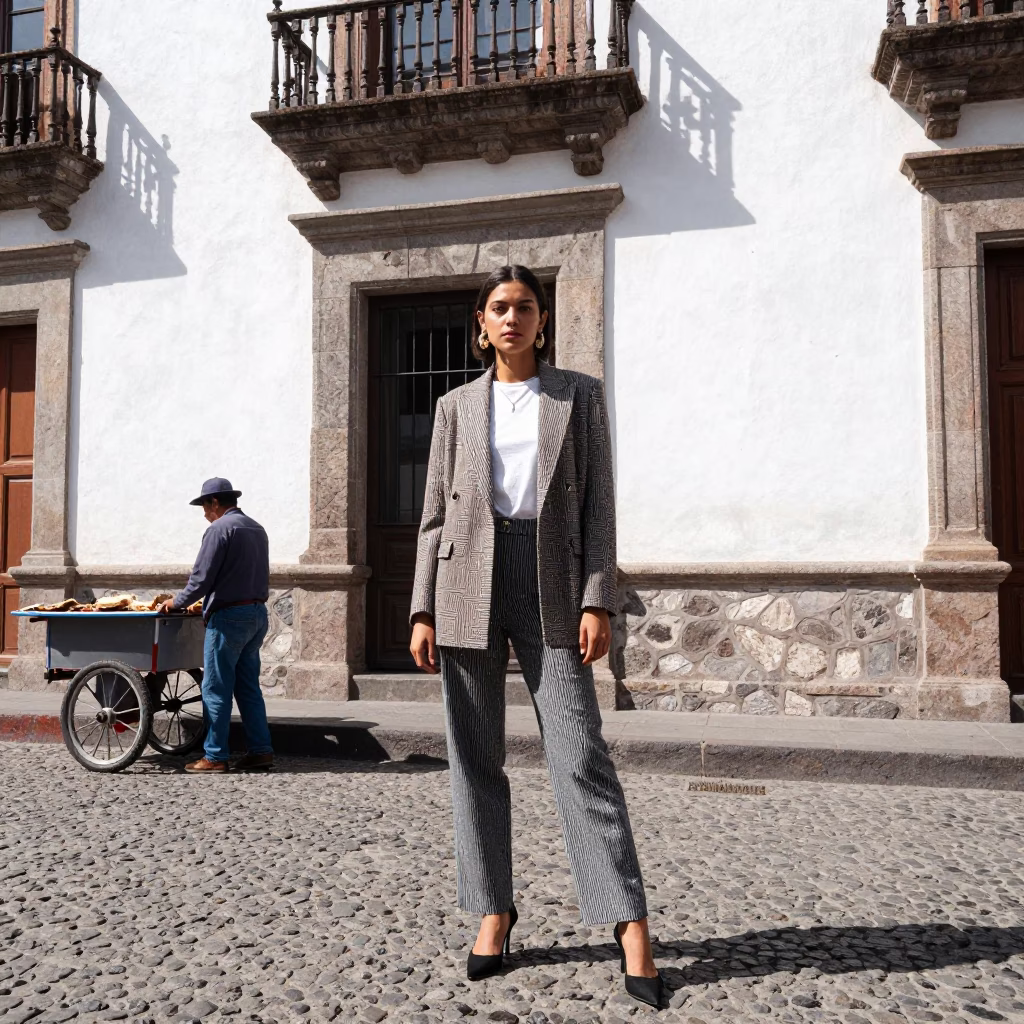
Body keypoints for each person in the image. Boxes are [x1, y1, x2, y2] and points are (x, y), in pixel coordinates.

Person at [408, 266, 665, 1009]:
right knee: (476, 756)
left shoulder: (577, 396)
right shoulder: (455, 404)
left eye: (524, 307)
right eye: (499, 308)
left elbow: (599, 509)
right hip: (465, 583)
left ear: (542, 320)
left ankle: (629, 919)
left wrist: (600, 600)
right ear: (481, 323)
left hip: (551, 578)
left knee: (580, 752)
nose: (511, 318)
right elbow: (432, 515)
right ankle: (494, 908)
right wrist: (422, 606)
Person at [159, 477, 274, 775]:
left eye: (204, 506)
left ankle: (214, 756)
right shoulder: (256, 528)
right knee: (248, 688)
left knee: (215, 688)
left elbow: (201, 578)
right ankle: (260, 751)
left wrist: (177, 602)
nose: (204, 513)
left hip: (228, 618)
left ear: (214, 503)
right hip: (256, 614)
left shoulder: (218, 529)